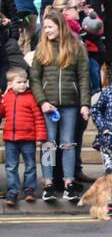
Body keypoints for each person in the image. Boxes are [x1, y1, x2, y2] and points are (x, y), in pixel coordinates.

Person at [29, 11, 91, 202]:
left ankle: (68, 183)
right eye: (45, 27)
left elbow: (83, 77)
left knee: (68, 144)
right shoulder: (41, 48)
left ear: (60, 26)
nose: (46, 30)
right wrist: (42, 101)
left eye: (50, 27)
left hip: (71, 104)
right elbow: (34, 78)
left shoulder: (76, 47)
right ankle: (48, 184)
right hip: (49, 106)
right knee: (49, 145)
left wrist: (85, 104)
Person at [2, 67, 46, 205]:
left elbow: (39, 118)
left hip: (28, 138)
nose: (22, 85)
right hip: (11, 139)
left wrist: (40, 137)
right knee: (11, 166)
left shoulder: (31, 98)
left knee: (30, 165)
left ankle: (29, 190)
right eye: (18, 82)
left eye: (24, 82)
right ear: (10, 84)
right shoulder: (6, 98)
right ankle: (12, 191)